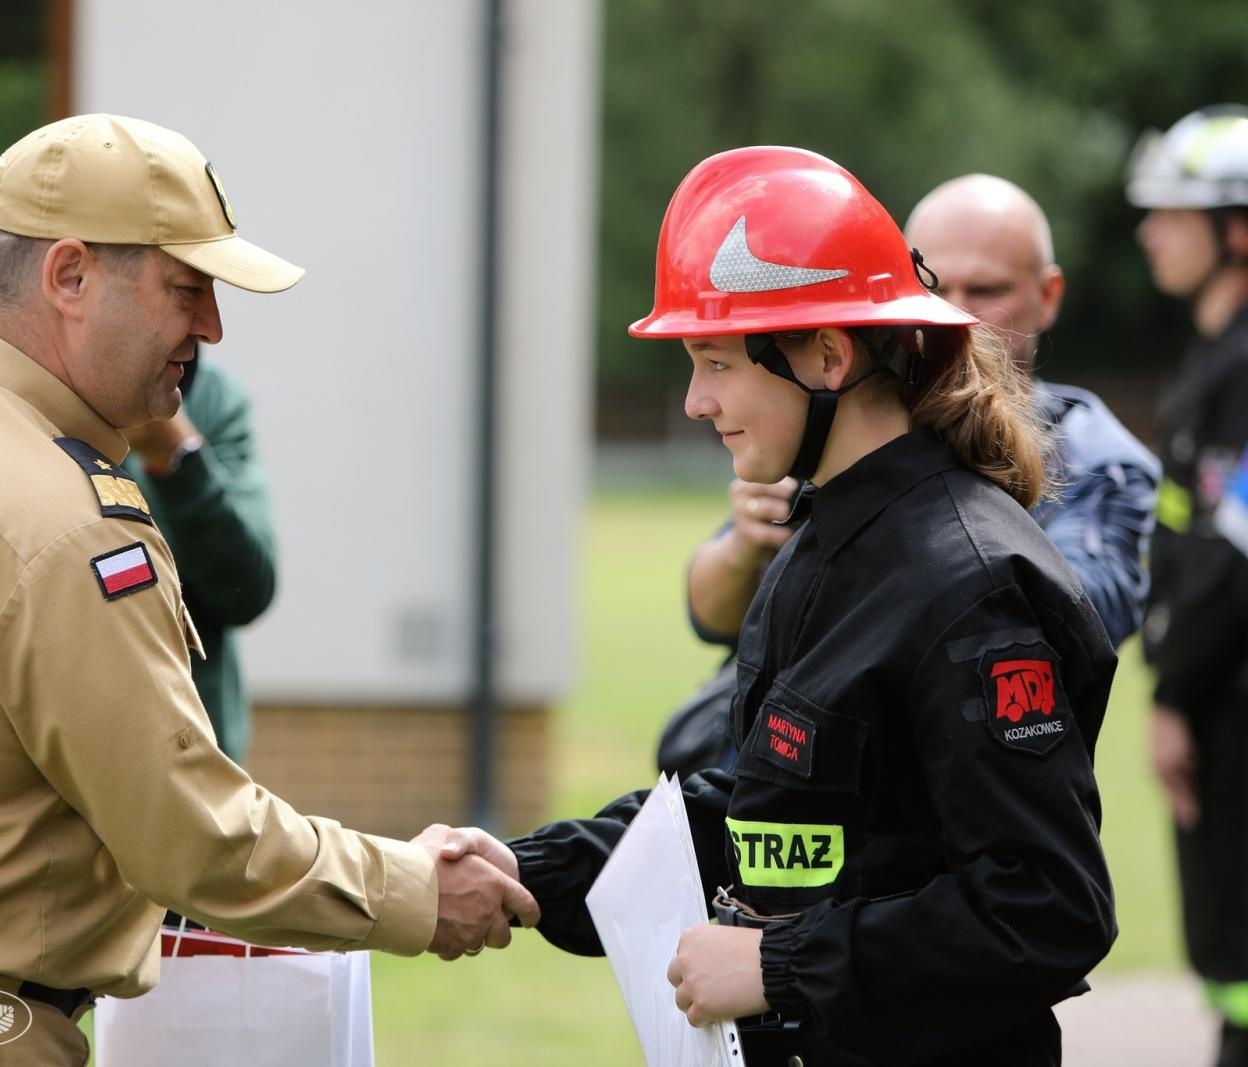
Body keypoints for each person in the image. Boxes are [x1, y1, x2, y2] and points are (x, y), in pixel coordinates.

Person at [0, 114, 535, 1066]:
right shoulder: (64, 519)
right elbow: (192, 838)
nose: (213, 327)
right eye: (185, 288)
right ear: (69, 277)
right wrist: (411, 887)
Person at [447, 146, 1118, 1065]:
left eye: (716, 361)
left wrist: (781, 962)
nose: (693, 400)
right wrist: (525, 870)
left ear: (828, 357)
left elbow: (1047, 905)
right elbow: (765, 818)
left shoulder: (972, 583)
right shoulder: (821, 540)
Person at [660, 172, 1158, 781]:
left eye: (986, 287)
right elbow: (709, 616)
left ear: (1048, 295)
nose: (953, 310)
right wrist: (746, 546)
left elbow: (1056, 623)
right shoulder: (846, 420)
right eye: (934, 284)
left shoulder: (1096, 458)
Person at [1127, 104, 1248, 1066]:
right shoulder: (1219, 356)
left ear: (1237, 229)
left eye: (1175, 210)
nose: (1149, 228)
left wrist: (1172, 692)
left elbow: (1231, 556)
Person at [123, 350, 274, 764]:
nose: (210, 325)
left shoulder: (208, 396)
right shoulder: (36, 401)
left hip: (199, 755)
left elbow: (249, 590)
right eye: (184, 289)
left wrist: (181, 460)